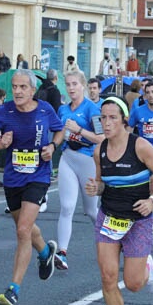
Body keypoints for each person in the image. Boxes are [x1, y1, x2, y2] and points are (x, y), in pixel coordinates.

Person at [85, 97, 153, 305]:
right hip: (109, 217)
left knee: (133, 283)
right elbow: (102, 184)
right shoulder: (99, 150)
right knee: (108, 276)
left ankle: (147, 267)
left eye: (112, 118)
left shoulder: (140, 146)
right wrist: (95, 187)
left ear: (124, 120)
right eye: (103, 118)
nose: (106, 123)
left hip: (138, 220)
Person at [0, 69, 64, 305]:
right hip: (13, 178)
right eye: (14, 87)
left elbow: (59, 130)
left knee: (22, 230)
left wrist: (52, 145)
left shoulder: (45, 109)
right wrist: (0, 144)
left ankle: (13, 290)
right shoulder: (4, 111)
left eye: (22, 87)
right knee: (24, 227)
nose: (17, 91)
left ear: (32, 90)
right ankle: (46, 251)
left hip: (38, 176)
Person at [54, 71, 104, 271]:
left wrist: (79, 130)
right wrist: (52, 145)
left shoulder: (92, 109)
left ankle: (111, 241)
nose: (71, 88)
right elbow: (59, 131)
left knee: (91, 210)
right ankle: (62, 253)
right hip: (67, 159)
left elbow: (102, 138)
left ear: (82, 85)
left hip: (88, 161)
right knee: (66, 207)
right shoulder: (62, 109)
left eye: (75, 84)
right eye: (68, 84)